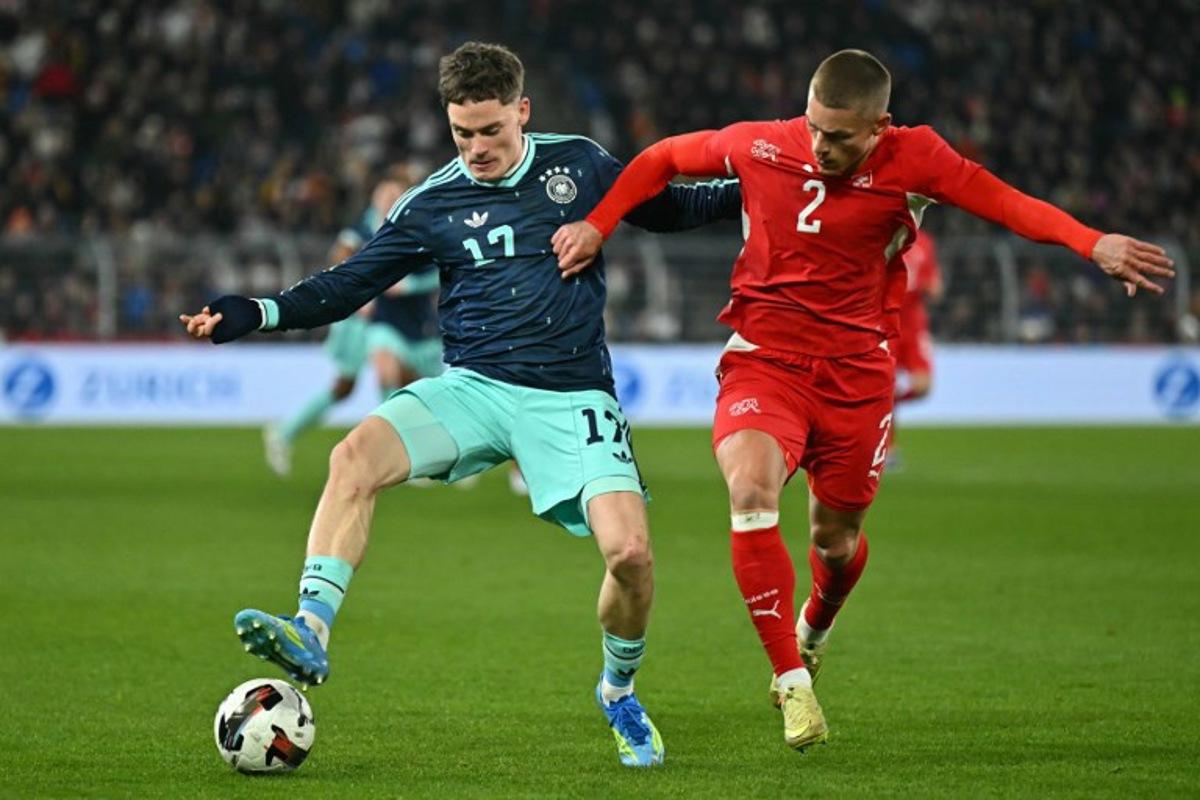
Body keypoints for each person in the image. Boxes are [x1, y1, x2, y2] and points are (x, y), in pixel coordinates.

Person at [551, 49, 1174, 752]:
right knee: (750, 491)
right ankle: (792, 681)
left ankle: (814, 629)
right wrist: (600, 223)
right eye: (815, 127)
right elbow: (663, 157)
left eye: (840, 136)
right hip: (765, 361)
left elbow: (1003, 201)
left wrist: (1091, 243)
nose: (820, 145)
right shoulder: (764, 144)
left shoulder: (918, 158)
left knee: (836, 541)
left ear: (880, 126)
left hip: (856, 378)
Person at [180, 41, 742, 767]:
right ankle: (310, 630)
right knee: (353, 456)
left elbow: (670, 209)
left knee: (632, 556)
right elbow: (348, 285)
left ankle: (618, 692)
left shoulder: (579, 164)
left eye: (491, 130)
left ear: (522, 111)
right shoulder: (430, 203)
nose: (476, 148)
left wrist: (759, 185)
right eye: (461, 133)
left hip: (571, 393)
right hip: (473, 387)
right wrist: (255, 312)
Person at [263, 172, 439, 476]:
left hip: (405, 322)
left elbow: (437, 269)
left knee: (381, 381)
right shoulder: (363, 228)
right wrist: (358, 293)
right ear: (375, 199)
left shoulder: (415, 224)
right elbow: (340, 256)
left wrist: (407, 287)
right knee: (365, 380)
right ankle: (397, 450)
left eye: (394, 195)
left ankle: (286, 432)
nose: (388, 200)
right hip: (362, 323)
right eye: (383, 195)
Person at [885, 227, 944, 469]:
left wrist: (933, 286)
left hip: (914, 324)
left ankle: (890, 402)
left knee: (923, 386)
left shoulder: (925, 242)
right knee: (884, 385)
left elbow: (934, 283)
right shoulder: (886, 233)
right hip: (886, 321)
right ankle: (888, 448)